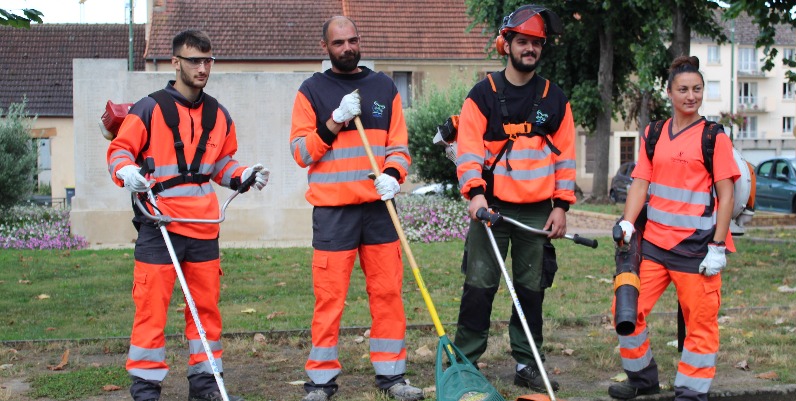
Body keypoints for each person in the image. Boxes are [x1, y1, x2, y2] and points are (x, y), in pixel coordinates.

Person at [107, 30, 269, 401]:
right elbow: (119, 151)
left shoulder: (219, 115)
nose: (202, 68)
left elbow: (221, 164)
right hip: (158, 224)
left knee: (205, 310)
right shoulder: (148, 109)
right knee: (151, 309)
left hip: (203, 227)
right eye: (194, 60)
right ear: (175, 62)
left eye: (208, 60)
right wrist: (126, 171)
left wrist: (243, 175)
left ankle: (206, 384)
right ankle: (146, 388)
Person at [288, 16, 423, 401]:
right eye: (338, 43)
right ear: (325, 47)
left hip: (380, 208)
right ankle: (320, 382)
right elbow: (300, 153)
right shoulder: (311, 91)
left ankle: (392, 376)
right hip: (334, 212)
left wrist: (393, 176)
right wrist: (334, 121)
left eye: (352, 40)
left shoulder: (383, 87)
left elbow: (398, 147)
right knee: (329, 298)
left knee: (388, 293)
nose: (347, 48)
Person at [453, 4, 576, 393]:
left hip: (538, 211)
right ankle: (466, 363)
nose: (530, 49)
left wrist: (561, 206)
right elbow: (468, 153)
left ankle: (527, 361)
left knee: (531, 289)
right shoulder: (482, 96)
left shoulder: (555, 99)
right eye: (522, 41)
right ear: (505, 44)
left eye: (536, 43)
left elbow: (566, 158)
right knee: (479, 285)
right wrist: (475, 196)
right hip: (490, 209)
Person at [609, 56, 740, 401]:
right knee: (625, 311)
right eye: (683, 89)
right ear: (669, 92)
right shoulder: (653, 134)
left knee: (700, 326)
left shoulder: (713, 137)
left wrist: (717, 247)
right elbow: (640, 182)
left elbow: (726, 195)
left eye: (697, 89)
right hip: (653, 246)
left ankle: (690, 394)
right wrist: (628, 222)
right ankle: (642, 379)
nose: (691, 96)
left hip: (697, 251)